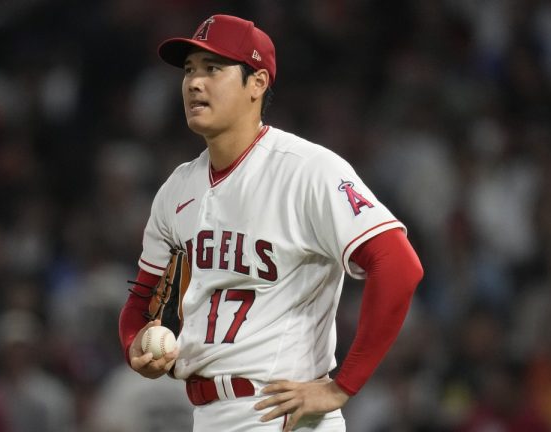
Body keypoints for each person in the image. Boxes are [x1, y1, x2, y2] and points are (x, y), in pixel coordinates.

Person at [118, 14, 424, 432]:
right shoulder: (177, 189)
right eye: (189, 70)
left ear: (257, 83)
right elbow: (141, 299)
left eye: (213, 69)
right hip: (206, 415)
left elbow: (398, 264)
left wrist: (342, 386)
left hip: (280, 411)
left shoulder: (306, 170)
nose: (194, 83)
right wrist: (135, 343)